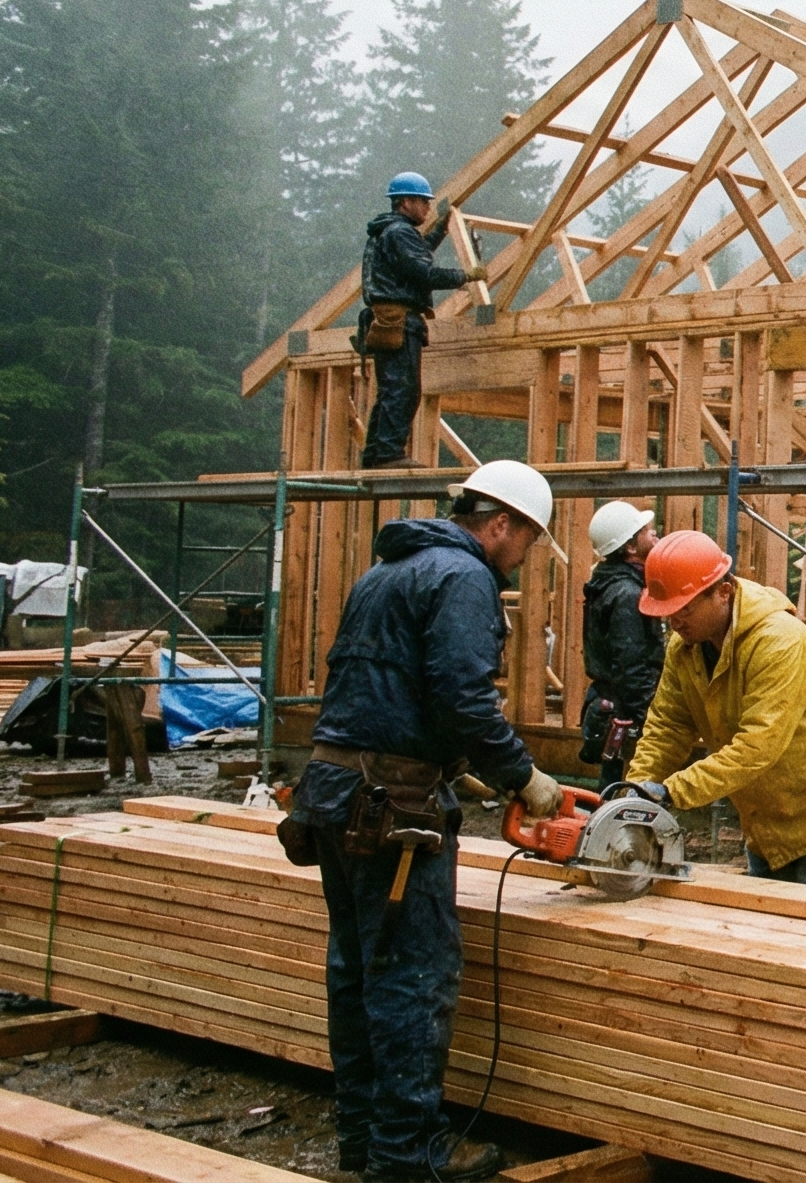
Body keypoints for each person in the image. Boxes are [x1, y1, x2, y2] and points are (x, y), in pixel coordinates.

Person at [288, 460, 564, 1183]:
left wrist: (448, 763)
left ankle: (364, 1143)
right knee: (412, 978)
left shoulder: (383, 573)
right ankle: (411, 1154)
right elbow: (465, 699)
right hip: (391, 809)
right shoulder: (465, 575)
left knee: (355, 972)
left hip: (333, 790)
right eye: (527, 541)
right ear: (500, 524)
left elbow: (382, 684)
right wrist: (521, 776)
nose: (522, 557)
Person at [620, 531, 806, 889]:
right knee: (766, 926)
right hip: (767, 806)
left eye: (684, 608)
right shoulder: (685, 650)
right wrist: (637, 791)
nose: (675, 622)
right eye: (668, 612)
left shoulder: (778, 641)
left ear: (723, 593)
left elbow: (757, 746)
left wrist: (671, 791)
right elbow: (667, 727)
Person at [357, 173, 468, 469]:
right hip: (399, 319)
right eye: (423, 202)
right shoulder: (399, 233)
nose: (427, 209)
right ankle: (389, 454)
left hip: (389, 318)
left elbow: (413, 259)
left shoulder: (391, 232)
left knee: (392, 388)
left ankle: (375, 454)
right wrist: (464, 276)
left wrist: (440, 232)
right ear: (406, 201)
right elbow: (424, 273)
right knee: (403, 389)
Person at [578, 501, 664, 789]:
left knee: (611, 787)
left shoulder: (609, 585)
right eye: (647, 532)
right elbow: (631, 665)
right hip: (627, 708)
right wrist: (651, 719)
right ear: (629, 547)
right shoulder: (627, 594)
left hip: (612, 704)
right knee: (627, 791)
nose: (655, 535)